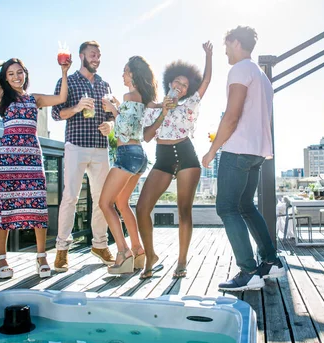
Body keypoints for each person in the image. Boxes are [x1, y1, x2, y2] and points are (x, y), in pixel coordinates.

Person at [202, 26, 285, 291]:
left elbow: (232, 115)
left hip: (237, 151)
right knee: (246, 206)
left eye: (226, 45)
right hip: (257, 152)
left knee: (226, 207)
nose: (225, 50)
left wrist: (213, 150)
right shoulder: (262, 77)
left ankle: (248, 271)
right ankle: (271, 261)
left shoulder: (239, 70)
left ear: (236, 43)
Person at [0, 57, 70, 279]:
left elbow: (62, 97)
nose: (16, 77)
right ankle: (1, 257)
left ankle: (41, 257)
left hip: (32, 159)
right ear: (5, 78)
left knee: (38, 207)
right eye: (10, 74)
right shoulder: (2, 97)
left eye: (19, 72)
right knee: (6, 208)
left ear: (26, 73)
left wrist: (64, 71)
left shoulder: (35, 99)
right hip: (8, 160)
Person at [137, 42, 213, 279]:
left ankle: (181, 261)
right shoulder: (154, 107)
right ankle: (150, 256)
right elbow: (147, 137)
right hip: (163, 157)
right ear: (170, 82)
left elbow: (207, 81)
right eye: (177, 82)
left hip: (186, 155)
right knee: (141, 208)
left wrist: (208, 56)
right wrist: (163, 112)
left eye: (185, 85)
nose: (180, 87)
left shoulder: (190, 103)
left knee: (184, 211)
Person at [51, 41, 116, 272]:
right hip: (76, 146)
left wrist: (110, 124)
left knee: (102, 199)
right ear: (81, 56)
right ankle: (61, 250)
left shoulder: (104, 85)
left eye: (99, 55)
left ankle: (100, 244)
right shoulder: (68, 81)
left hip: (100, 148)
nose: (96, 58)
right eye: (92, 54)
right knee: (70, 197)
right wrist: (77, 107)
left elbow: (113, 115)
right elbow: (57, 114)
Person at [99, 56, 159, 274]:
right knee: (122, 204)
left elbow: (123, 130)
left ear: (133, 73)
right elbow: (135, 125)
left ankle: (123, 252)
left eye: (125, 71)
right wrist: (118, 107)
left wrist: (114, 109)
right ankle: (138, 250)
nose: (122, 75)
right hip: (139, 156)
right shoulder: (142, 97)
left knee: (105, 204)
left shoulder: (129, 96)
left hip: (126, 154)